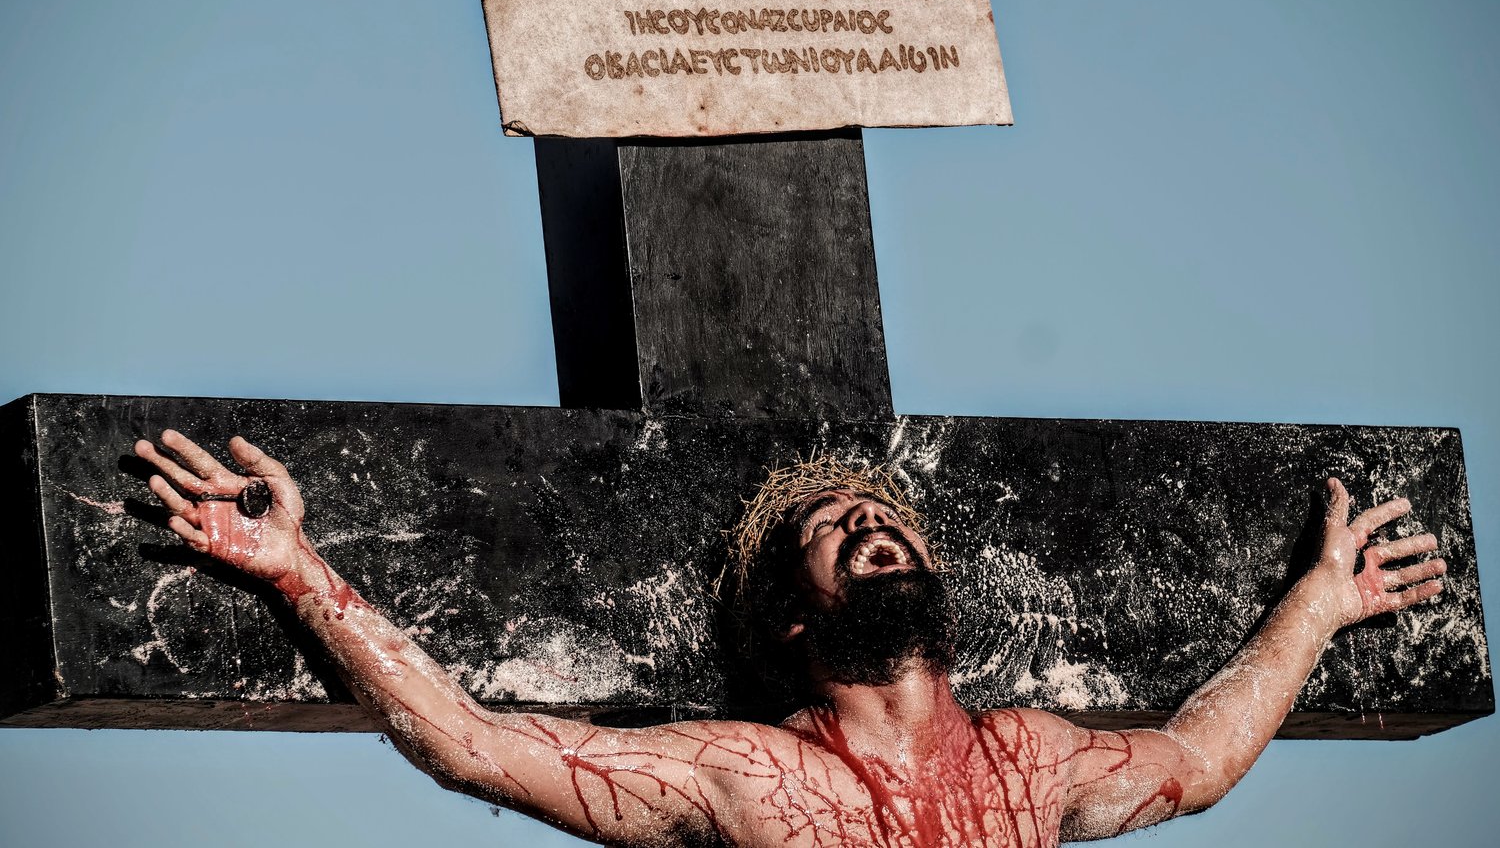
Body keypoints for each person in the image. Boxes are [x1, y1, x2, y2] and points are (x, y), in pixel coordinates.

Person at [135, 429, 1447, 847]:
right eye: (837, 528)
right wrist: (296, 567)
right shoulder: (746, 776)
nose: (874, 525)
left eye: (890, 520)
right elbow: (473, 744)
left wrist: (1321, 601)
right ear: (796, 612)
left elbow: (1198, 758)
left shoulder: (1035, 763)